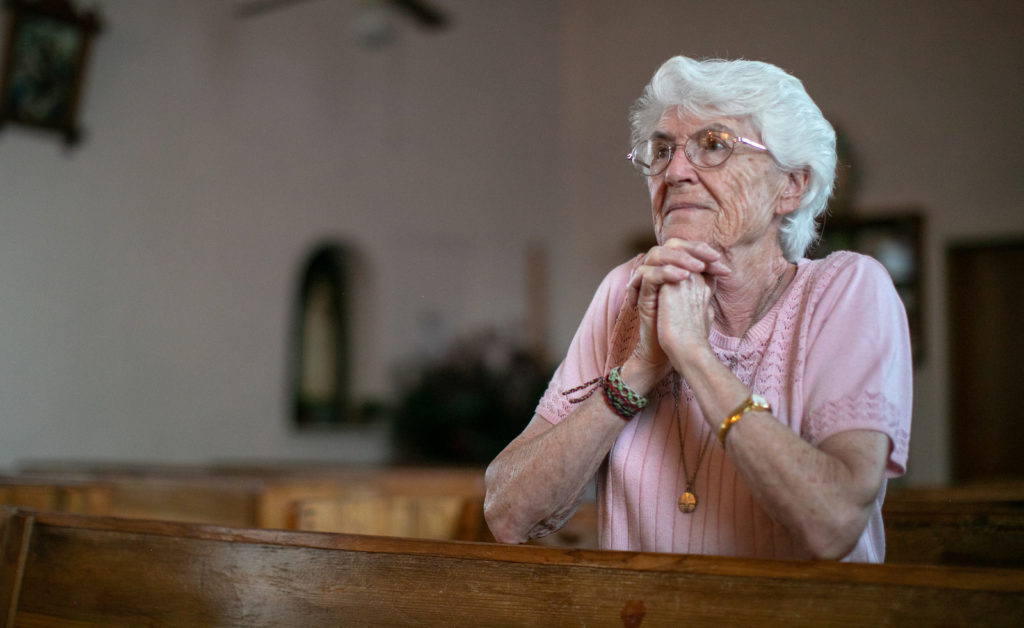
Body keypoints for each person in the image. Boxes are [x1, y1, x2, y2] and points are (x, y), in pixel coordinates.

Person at [483, 56, 912, 562]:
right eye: (662, 150)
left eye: (714, 146)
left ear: (790, 186)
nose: (676, 171)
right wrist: (637, 372)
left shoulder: (846, 290)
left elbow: (833, 522)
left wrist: (694, 356)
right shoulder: (627, 290)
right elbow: (507, 514)